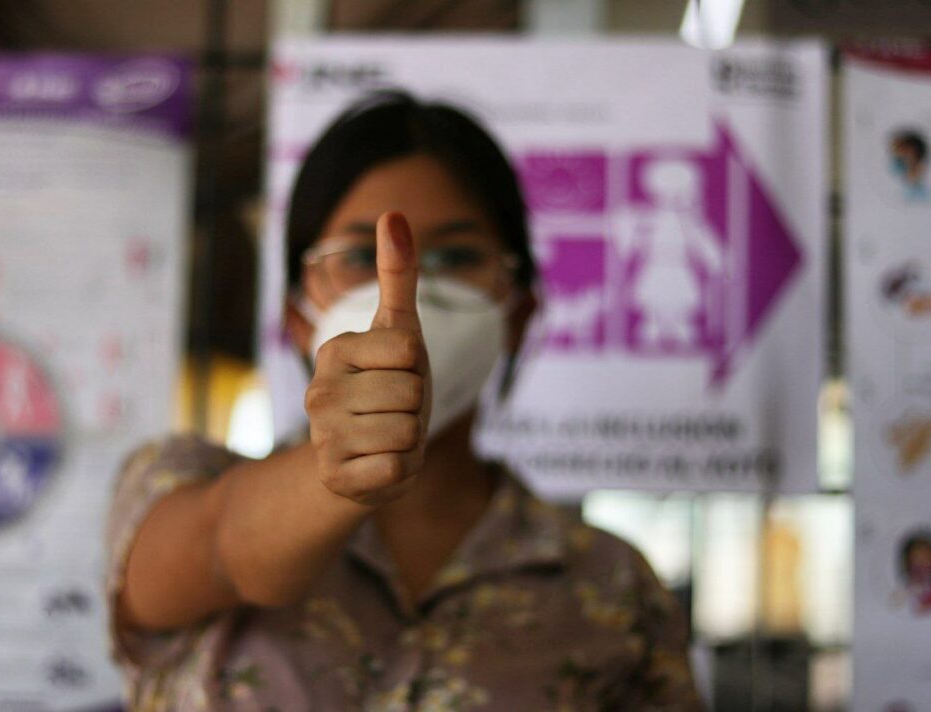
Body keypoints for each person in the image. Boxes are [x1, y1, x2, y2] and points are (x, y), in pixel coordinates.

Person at [106, 90, 703, 710]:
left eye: (458, 256)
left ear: (519, 312)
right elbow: (222, 550)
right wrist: (334, 473)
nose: (414, 293)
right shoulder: (178, 482)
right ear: (298, 319)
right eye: (360, 256)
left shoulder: (611, 586)